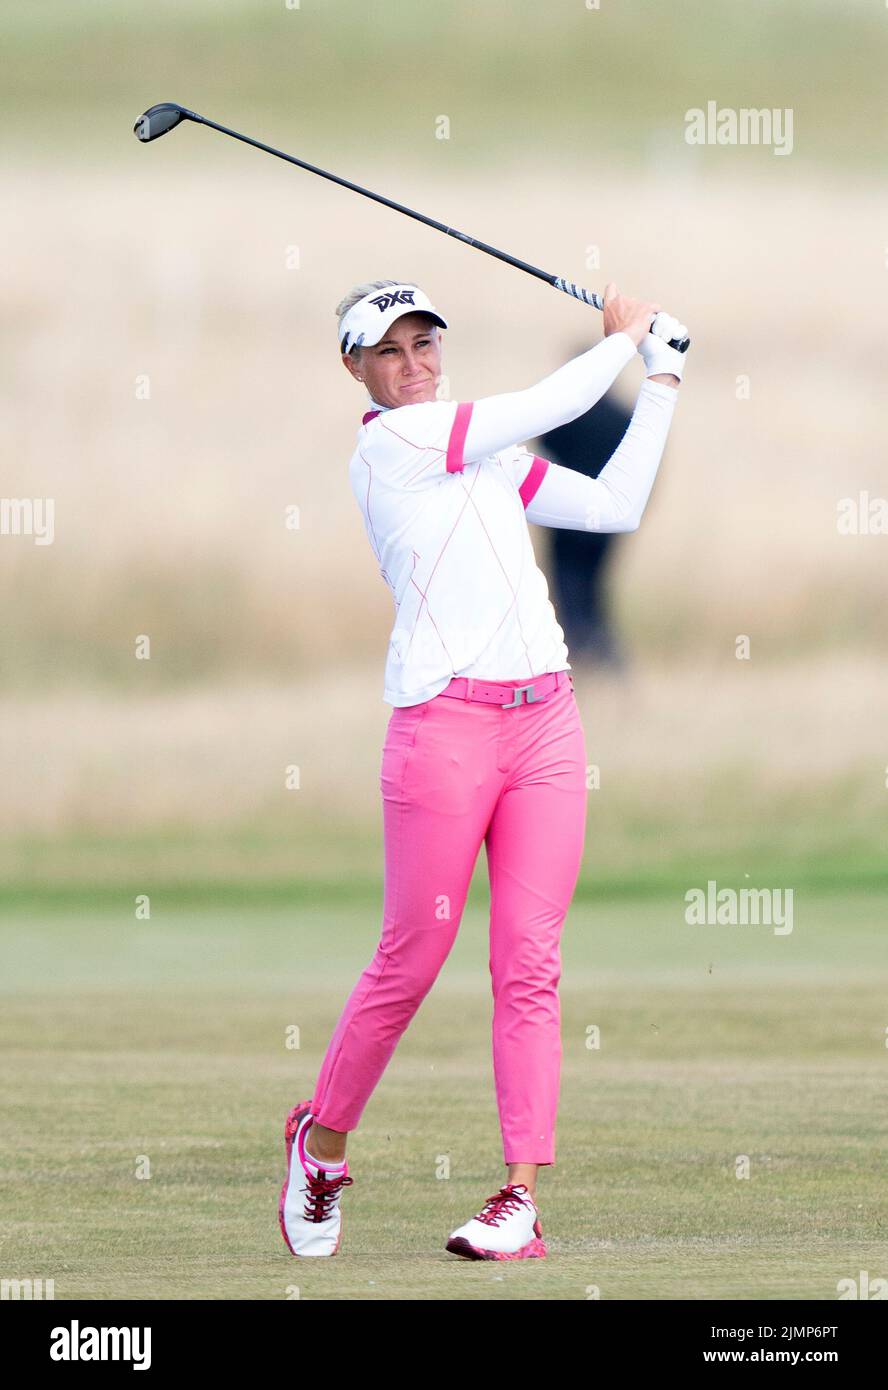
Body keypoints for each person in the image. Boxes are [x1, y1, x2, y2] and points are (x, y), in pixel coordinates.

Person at [279, 278, 689, 1261]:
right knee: (410, 960)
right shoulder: (396, 447)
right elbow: (547, 404)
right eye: (391, 352)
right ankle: (321, 1144)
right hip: (442, 730)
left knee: (529, 961)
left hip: (545, 720)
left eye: (425, 347)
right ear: (357, 370)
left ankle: (518, 1199)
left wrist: (663, 378)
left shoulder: (489, 457)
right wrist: (628, 341)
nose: (413, 366)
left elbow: (616, 503)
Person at [537, 380, 635, 668]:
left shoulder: (565, 417)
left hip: (565, 526)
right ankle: (606, 659)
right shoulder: (623, 416)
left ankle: (578, 657)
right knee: (596, 593)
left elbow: (543, 448)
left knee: (567, 594)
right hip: (607, 528)